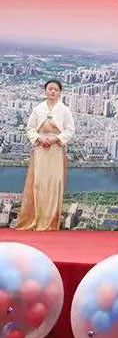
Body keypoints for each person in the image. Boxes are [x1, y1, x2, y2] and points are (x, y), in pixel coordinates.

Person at [16, 79, 75, 231]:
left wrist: (56, 139)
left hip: (56, 149)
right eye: (50, 89)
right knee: (38, 182)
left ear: (60, 92)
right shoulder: (38, 109)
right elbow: (30, 128)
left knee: (54, 183)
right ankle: (35, 218)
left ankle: (50, 221)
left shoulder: (65, 110)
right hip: (40, 149)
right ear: (45, 91)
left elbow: (70, 130)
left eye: (56, 89)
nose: (53, 91)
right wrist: (39, 138)